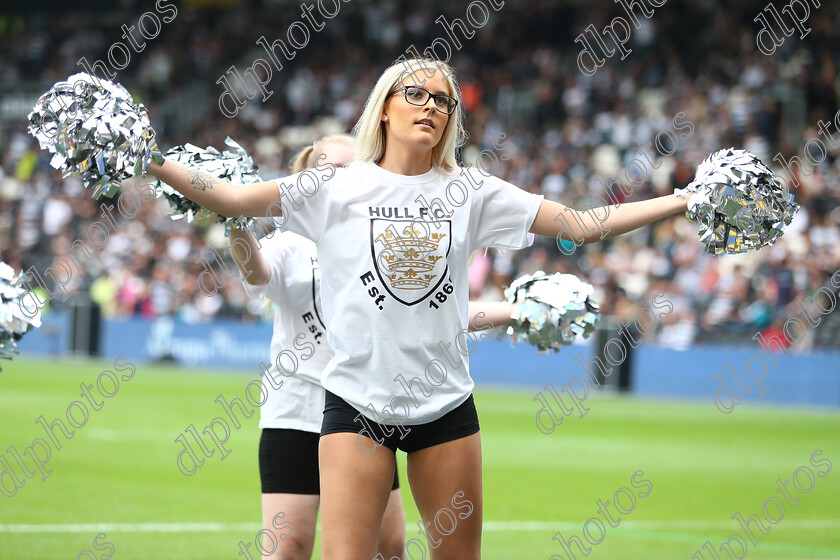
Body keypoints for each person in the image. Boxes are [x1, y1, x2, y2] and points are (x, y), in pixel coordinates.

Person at [146, 57, 689, 560]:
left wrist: (685, 199)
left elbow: (582, 225)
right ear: (384, 106)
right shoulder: (334, 186)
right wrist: (148, 156)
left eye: (443, 101)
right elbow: (231, 199)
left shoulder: (471, 191)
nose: (431, 105)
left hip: (446, 406)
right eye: (416, 94)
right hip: (356, 405)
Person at [227, 135, 404, 560]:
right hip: (297, 410)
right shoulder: (290, 241)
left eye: (350, 169)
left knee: (390, 546)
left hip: (364, 406)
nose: (338, 178)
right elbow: (256, 273)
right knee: (290, 546)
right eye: (328, 169)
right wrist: (233, 218)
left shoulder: (381, 238)